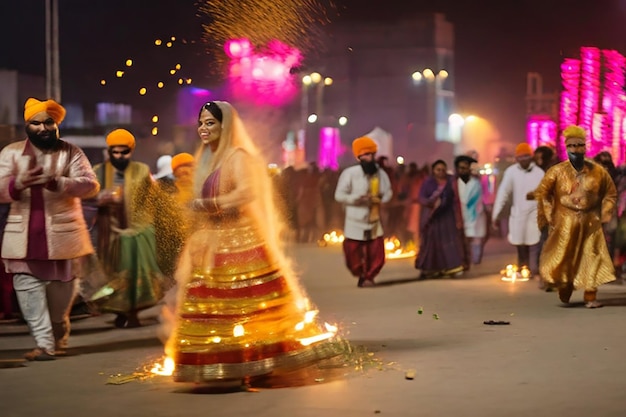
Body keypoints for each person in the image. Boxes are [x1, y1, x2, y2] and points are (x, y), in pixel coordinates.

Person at [164, 101, 340, 383]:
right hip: (212, 240)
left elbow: (247, 192)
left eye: (210, 123)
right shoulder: (207, 159)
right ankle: (221, 361)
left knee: (249, 305)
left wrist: (210, 203)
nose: (203, 128)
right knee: (214, 307)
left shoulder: (238, 157)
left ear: (226, 126)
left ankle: (259, 362)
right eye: (201, 123)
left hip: (241, 239)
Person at [0, 97, 100, 360]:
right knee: (28, 293)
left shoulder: (72, 152)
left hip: (63, 240)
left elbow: (91, 186)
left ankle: (57, 336)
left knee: (59, 309)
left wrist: (58, 183)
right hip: (21, 242)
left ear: (56, 124)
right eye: (36, 123)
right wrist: (17, 183)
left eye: (49, 122)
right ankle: (44, 345)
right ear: (27, 125)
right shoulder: (10, 153)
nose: (43, 128)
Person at [91, 129, 168, 328]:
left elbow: (154, 199)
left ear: (131, 152)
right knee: (115, 274)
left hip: (138, 232)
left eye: (123, 152)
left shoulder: (142, 170)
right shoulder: (98, 171)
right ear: (109, 152)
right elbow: (86, 198)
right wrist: (101, 199)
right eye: (114, 152)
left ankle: (132, 313)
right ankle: (119, 310)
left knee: (136, 275)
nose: (119, 156)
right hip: (110, 233)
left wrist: (149, 228)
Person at [536, 125, 617, 308]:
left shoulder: (598, 172)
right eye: (571, 146)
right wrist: (550, 215)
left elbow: (610, 194)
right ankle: (565, 287)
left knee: (592, 258)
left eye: (579, 145)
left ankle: (591, 296)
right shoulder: (556, 172)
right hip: (564, 224)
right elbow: (544, 194)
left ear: (585, 147)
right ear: (566, 147)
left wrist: (605, 213)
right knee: (565, 260)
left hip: (591, 224)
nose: (575, 149)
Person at [334, 136, 393, 287]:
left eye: (371, 155)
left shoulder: (380, 174)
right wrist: (356, 198)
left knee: (376, 253)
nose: (370, 158)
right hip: (354, 220)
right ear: (359, 157)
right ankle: (360, 274)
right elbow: (339, 195)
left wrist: (380, 198)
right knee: (353, 253)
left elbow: (388, 193)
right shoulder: (350, 173)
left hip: (373, 219)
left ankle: (369, 276)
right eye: (366, 155)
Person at [491, 143, 544, 278]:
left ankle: (534, 268)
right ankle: (523, 267)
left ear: (531, 157)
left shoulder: (539, 173)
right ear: (516, 158)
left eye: (526, 156)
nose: (524, 159)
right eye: (521, 157)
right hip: (518, 214)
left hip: (534, 214)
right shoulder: (511, 172)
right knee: (520, 243)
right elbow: (503, 193)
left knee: (535, 243)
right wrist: (496, 214)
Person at [414, 159, 468, 278]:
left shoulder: (450, 182)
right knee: (431, 243)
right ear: (433, 171)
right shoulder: (428, 182)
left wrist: (443, 203)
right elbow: (421, 197)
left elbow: (454, 198)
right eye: (438, 170)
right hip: (431, 217)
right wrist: (431, 203)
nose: (441, 172)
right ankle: (430, 269)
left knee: (448, 241)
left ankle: (451, 267)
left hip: (446, 217)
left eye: (443, 169)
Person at [454, 155, 488, 265]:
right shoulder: (455, 183)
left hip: (475, 216)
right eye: (460, 168)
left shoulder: (475, 183)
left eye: (464, 168)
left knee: (475, 240)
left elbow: (467, 200)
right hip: (460, 217)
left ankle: (475, 261)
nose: (462, 170)